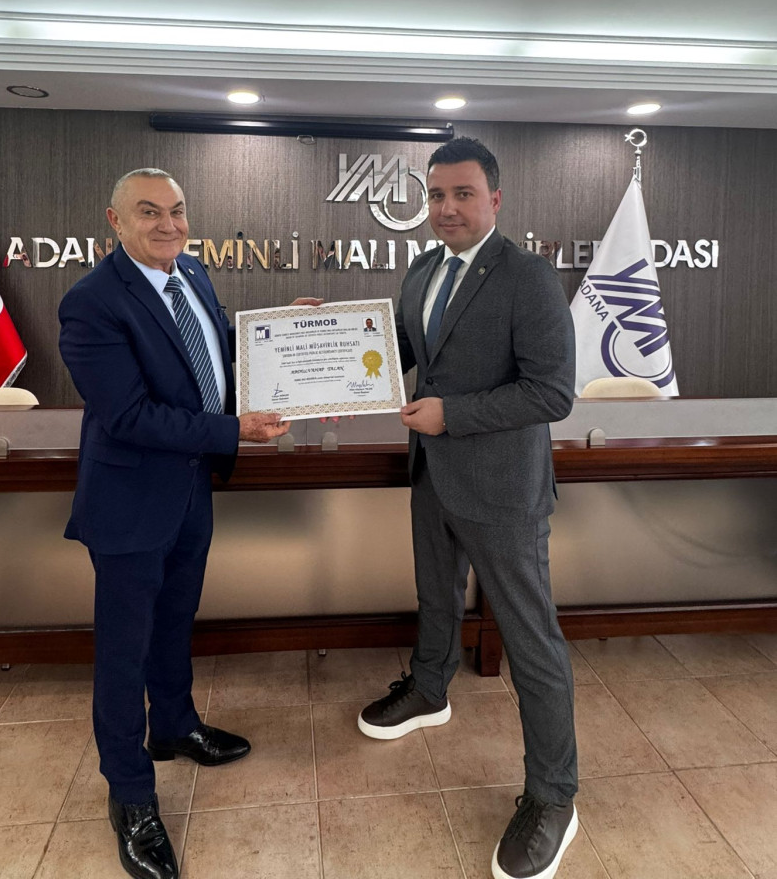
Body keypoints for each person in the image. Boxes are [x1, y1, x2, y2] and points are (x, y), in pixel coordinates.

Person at [58, 168, 317, 879]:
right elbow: (129, 415)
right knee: (124, 651)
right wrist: (236, 431)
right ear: (115, 221)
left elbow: (211, 346)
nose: (168, 225)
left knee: (174, 622)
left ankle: (174, 726)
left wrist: (282, 332)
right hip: (130, 502)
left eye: (176, 211)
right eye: (149, 212)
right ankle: (131, 797)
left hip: (191, 491)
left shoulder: (192, 273)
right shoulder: (91, 303)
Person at [357, 137, 578, 879]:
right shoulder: (423, 269)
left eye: (462, 194)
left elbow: (551, 393)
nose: (446, 208)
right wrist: (326, 335)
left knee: (531, 640)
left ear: (495, 200)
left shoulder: (528, 277)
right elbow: (395, 352)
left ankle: (554, 795)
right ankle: (429, 689)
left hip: (503, 489)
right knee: (436, 596)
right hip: (432, 476)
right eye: (435, 195)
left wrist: (451, 414)